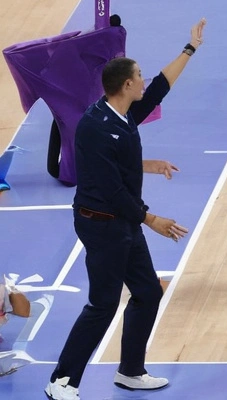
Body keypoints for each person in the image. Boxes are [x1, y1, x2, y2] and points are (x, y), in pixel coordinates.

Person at [44, 21, 204, 400]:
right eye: (140, 77)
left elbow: (161, 88)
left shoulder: (122, 115)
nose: (144, 81)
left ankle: (131, 371)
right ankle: (61, 381)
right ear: (126, 86)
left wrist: (190, 48)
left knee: (147, 292)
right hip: (101, 224)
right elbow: (113, 189)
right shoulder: (95, 127)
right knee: (102, 304)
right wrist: (153, 220)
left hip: (122, 223)